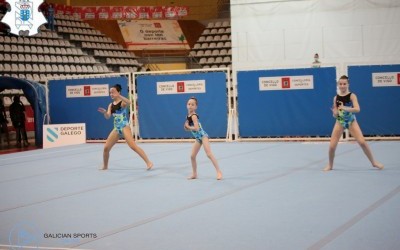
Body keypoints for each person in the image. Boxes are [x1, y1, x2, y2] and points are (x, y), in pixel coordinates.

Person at [323, 75, 384, 171]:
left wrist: (345, 108)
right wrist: (334, 114)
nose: (342, 86)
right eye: (340, 84)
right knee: (332, 146)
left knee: (362, 142)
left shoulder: (352, 95)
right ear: (338, 85)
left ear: (348, 84)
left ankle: (374, 162)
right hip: (340, 121)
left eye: (344, 84)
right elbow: (335, 113)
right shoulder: (335, 98)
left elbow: (357, 109)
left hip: (351, 121)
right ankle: (330, 165)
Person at [97, 84, 153, 170]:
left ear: (118, 92)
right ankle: (105, 166)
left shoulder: (122, 102)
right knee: (106, 148)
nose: (111, 94)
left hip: (124, 126)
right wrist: (105, 113)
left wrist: (119, 96)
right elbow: (108, 116)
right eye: (110, 93)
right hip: (116, 128)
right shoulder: (110, 105)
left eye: (113, 92)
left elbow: (129, 102)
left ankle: (149, 163)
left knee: (133, 146)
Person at [184, 97, 222, 180]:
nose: (190, 106)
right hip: (198, 138)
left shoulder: (194, 116)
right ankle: (194, 174)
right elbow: (189, 128)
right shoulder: (188, 116)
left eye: (192, 104)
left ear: (196, 107)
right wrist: (187, 127)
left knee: (208, 154)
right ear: (186, 105)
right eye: (189, 104)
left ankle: (219, 172)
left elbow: (197, 128)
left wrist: (188, 127)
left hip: (203, 136)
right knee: (192, 156)